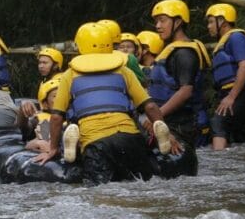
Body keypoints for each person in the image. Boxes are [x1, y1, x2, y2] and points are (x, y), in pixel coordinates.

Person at [34, 22, 181, 185]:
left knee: (100, 192)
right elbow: (150, 106)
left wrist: (53, 149)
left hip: (96, 142)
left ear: (80, 46)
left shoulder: (70, 75)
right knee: (144, 185)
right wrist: (168, 134)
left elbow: (56, 117)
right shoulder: (124, 71)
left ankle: (70, 147)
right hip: (130, 138)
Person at [147, 0, 211, 148]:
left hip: (183, 125)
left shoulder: (184, 53)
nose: (158, 26)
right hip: (169, 122)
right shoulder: (174, 51)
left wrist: (156, 117)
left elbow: (186, 91)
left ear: (178, 22)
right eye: (156, 21)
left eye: (162, 20)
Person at [206, 3, 245, 150]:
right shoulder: (228, 40)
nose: (208, 26)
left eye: (211, 22)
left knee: (218, 123)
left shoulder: (236, 37)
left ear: (222, 21)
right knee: (241, 136)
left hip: (239, 92)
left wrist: (231, 97)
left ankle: (219, 160)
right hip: (235, 93)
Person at [18, 47, 66, 141]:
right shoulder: (45, 81)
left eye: (45, 63)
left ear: (56, 65)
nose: (41, 66)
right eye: (40, 63)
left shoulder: (61, 81)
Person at [97, 19, 146, 84]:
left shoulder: (86, 59)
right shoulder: (129, 58)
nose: (125, 49)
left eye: (129, 47)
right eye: (122, 47)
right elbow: (142, 82)